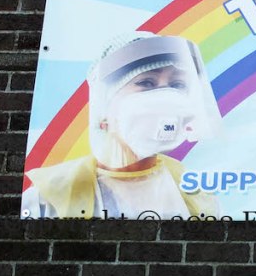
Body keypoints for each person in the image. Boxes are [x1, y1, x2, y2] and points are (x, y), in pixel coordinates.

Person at [22, 32, 222, 219]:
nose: (167, 96)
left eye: (177, 85)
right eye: (146, 82)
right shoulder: (52, 197)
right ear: (104, 103)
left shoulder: (196, 193)